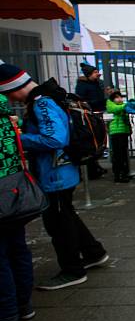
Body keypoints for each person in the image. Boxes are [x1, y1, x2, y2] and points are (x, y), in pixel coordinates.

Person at [1, 64, 108, 290]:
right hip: (61, 172)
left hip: (55, 174)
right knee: (66, 214)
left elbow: (55, 139)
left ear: (13, 88)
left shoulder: (42, 103)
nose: (10, 99)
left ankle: (72, 269)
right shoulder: (47, 99)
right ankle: (93, 252)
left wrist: (20, 139)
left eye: (8, 93)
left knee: (58, 223)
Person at [0, 91, 35, 321]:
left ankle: (7, 315)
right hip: (14, 190)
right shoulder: (8, 117)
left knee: (1, 255)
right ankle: (23, 304)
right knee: (17, 247)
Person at [75, 62, 108, 179]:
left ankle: (95, 166)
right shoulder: (82, 85)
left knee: (99, 141)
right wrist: (91, 105)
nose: (97, 74)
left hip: (98, 113)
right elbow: (81, 100)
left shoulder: (98, 83)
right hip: (89, 115)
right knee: (92, 141)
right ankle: (92, 169)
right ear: (89, 74)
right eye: (95, 72)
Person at [105, 90, 132, 183]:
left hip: (123, 131)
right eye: (117, 97)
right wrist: (126, 105)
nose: (119, 99)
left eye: (120, 97)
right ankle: (118, 175)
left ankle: (124, 173)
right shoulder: (110, 104)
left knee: (123, 154)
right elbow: (115, 109)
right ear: (112, 99)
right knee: (118, 155)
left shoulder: (122, 105)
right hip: (116, 132)